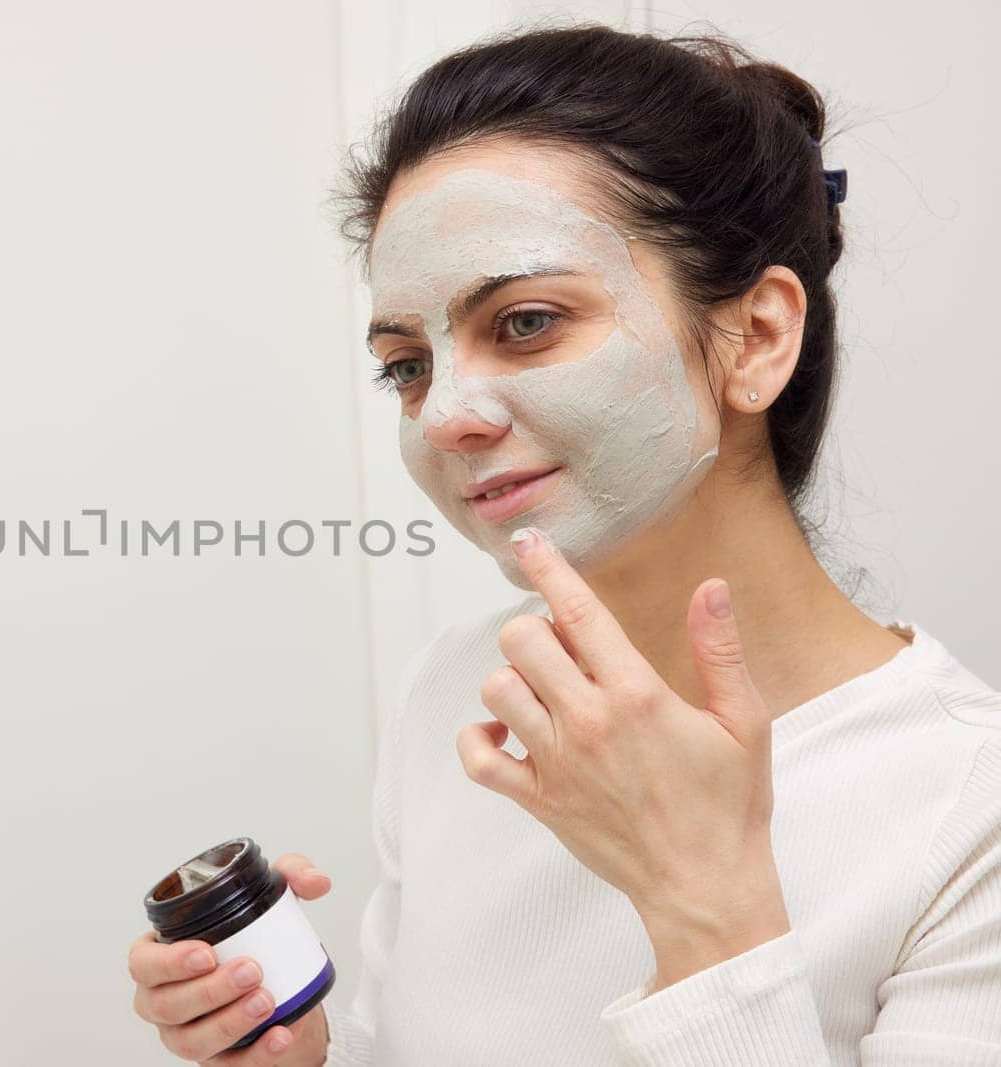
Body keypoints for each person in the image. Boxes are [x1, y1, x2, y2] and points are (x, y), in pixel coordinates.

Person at [127, 22, 1001, 1065]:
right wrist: (303, 1054)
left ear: (757, 336)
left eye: (527, 320)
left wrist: (703, 904)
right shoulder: (461, 690)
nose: (443, 412)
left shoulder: (967, 809)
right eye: (404, 365)